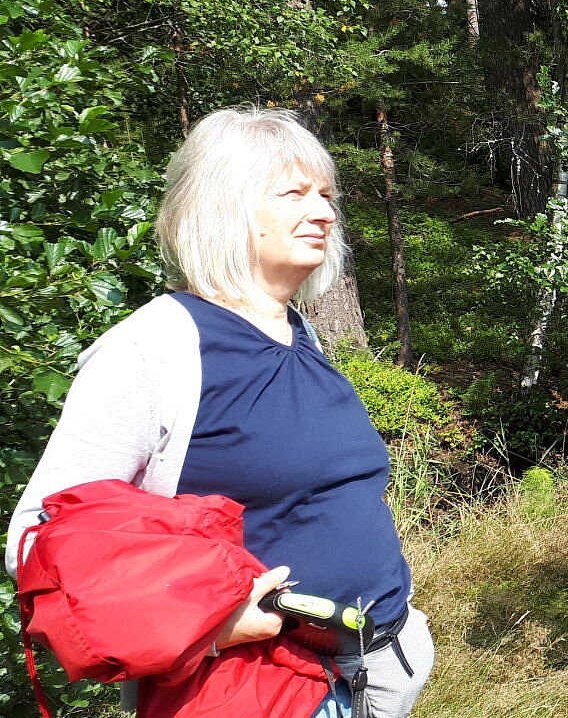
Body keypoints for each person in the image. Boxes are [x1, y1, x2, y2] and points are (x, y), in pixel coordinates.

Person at [5, 107, 434, 716]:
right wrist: (210, 626)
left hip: (373, 667)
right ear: (223, 205)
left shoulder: (299, 334)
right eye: (295, 194)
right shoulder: (156, 348)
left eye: (327, 195)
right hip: (256, 687)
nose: (325, 213)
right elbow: (39, 537)